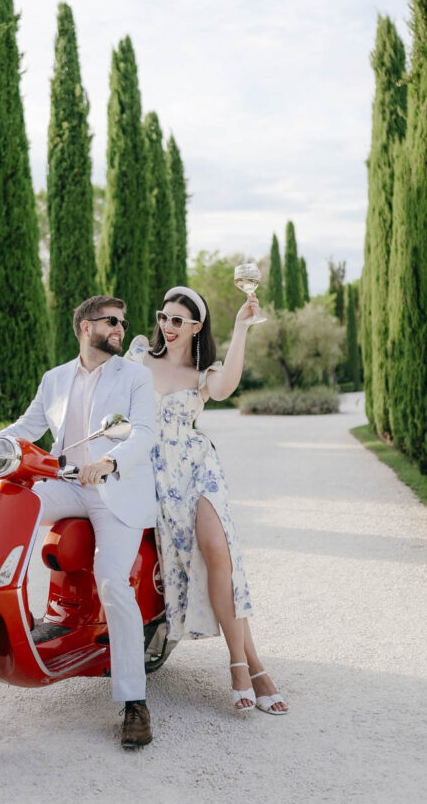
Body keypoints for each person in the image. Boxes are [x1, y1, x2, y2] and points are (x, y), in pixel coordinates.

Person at [0, 295, 157, 747]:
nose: (120, 329)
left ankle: (134, 701)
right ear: (85, 327)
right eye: (112, 321)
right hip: (69, 483)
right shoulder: (56, 378)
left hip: (116, 489)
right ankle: (9, 611)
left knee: (111, 580)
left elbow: (143, 432)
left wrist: (110, 462)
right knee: (12, 505)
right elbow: (25, 428)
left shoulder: (136, 376)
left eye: (123, 322)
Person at [125, 285, 288, 714]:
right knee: (202, 558)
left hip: (197, 465)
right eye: (163, 317)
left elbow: (226, 387)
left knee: (218, 549)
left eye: (178, 320)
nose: (168, 326)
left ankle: (238, 665)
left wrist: (241, 327)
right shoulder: (139, 356)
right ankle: (254, 667)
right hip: (157, 473)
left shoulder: (204, 372)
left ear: (196, 327)